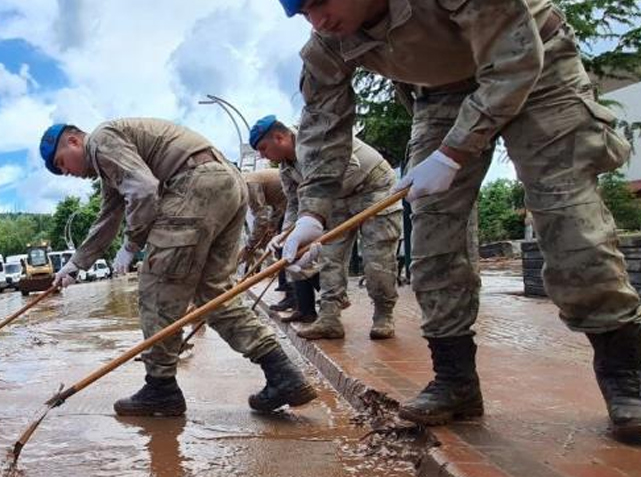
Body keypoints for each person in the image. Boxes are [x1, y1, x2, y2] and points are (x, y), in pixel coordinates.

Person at [272, 0, 641, 438]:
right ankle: (455, 378)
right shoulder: (326, 46)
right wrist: (310, 214)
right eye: (306, 12)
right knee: (433, 236)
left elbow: (513, 58)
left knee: (566, 217)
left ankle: (626, 377)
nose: (320, 20)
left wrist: (457, 150)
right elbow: (324, 129)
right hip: (441, 94)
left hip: (536, 67)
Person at [39, 118, 316, 416]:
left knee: (157, 289)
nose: (66, 172)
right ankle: (282, 373)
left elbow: (144, 190)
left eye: (62, 163)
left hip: (194, 185)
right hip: (226, 185)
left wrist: (132, 244)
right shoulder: (108, 166)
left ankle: (161, 388)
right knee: (215, 296)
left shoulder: (101, 140)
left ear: (73, 142)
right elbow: (108, 217)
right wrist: (75, 264)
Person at [248, 114, 401, 340]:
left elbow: (348, 169)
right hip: (334, 200)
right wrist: (287, 235)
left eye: (263, 148)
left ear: (279, 137)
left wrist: (316, 215)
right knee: (330, 259)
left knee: (377, 260)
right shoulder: (286, 168)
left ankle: (383, 315)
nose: (262, 155)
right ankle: (329, 319)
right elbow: (294, 202)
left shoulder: (316, 139)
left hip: (373, 188)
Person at [243, 169, 297, 313]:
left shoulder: (248, 185)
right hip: (286, 206)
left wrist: (250, 246)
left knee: (287, 250)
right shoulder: (247, 182)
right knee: (280, 248)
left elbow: (261, 218)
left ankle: (293, 295)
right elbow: (275, 206)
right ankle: (286, 287)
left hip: (294, 206)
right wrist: (271, 228)